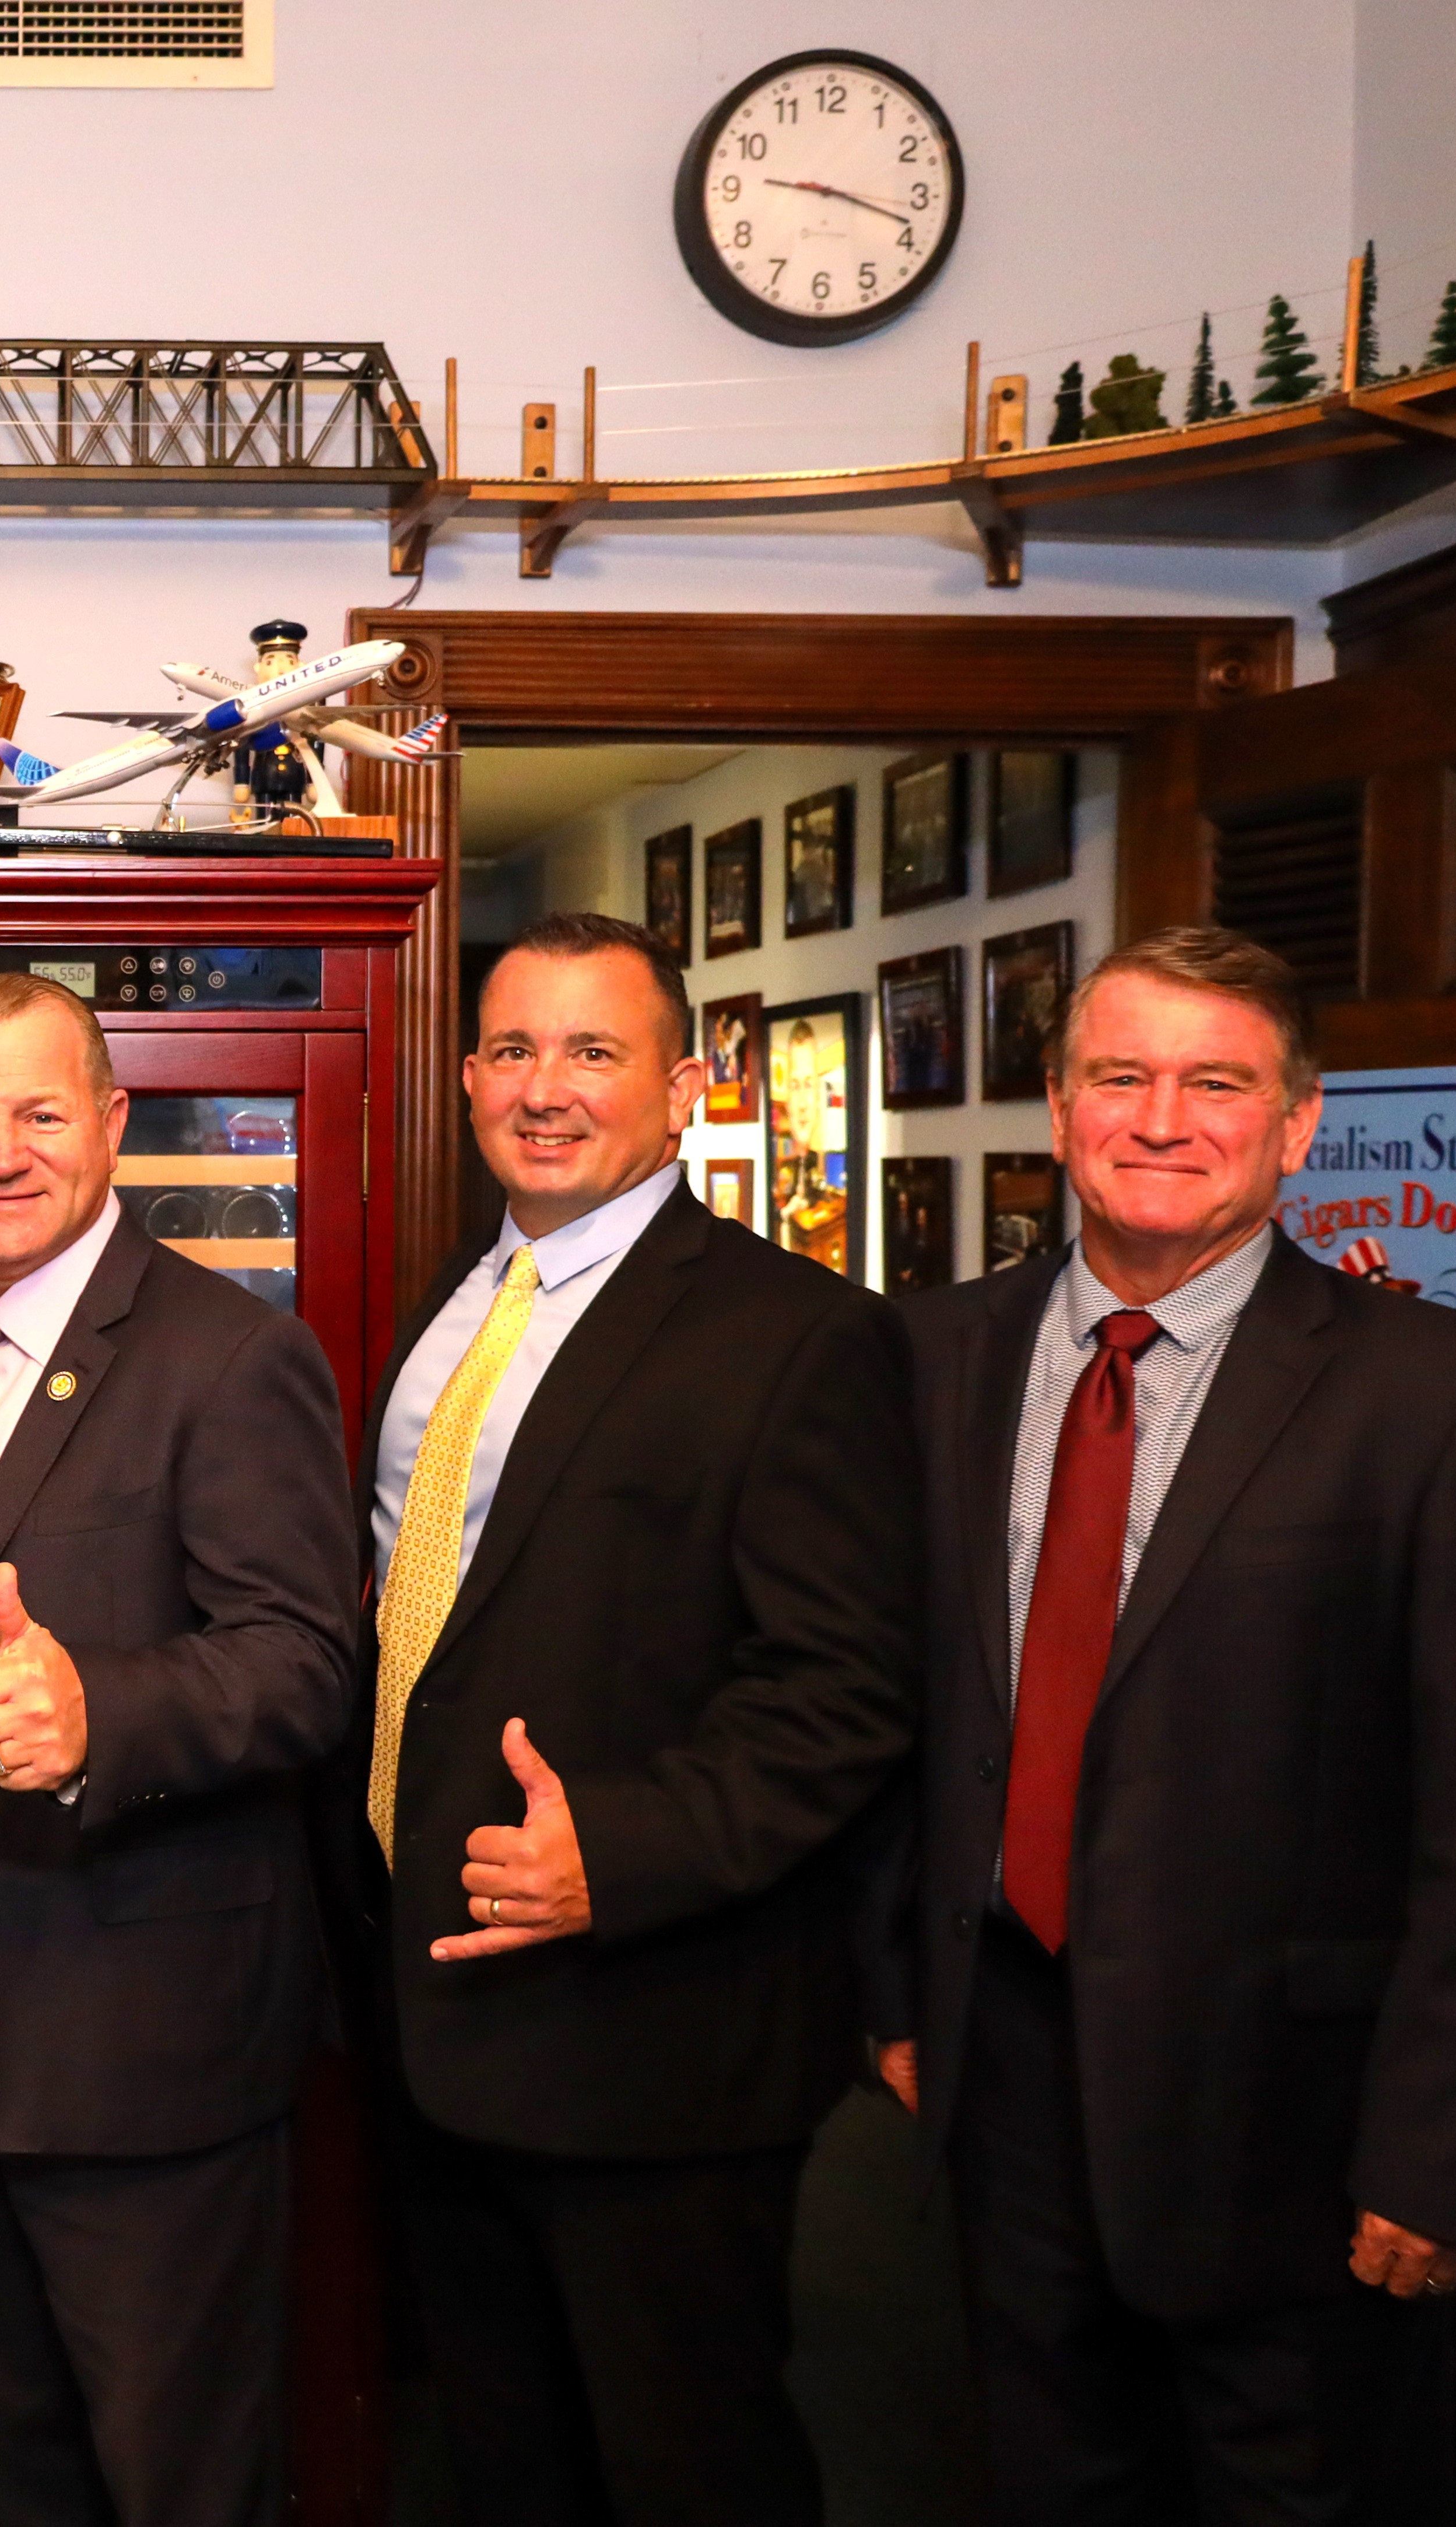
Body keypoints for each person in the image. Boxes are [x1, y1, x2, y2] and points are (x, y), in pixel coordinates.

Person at [875, 926, 1456, 2524]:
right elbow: (899, 1702)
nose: (1160, 1117)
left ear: (1294, 1125)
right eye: (1119, 1076)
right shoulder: (927, 1357)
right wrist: (894, 1981)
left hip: (1303, 2126)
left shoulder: (1447, 1393)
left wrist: (1443, 2148)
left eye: (1215, 1082)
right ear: (1057, 1104)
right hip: (1003, 2078)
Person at [321, 912, 921, 2527]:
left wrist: (623, 1849)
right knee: (501, 2457)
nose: (545, 1087)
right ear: (462, 1079)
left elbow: (845, 1690)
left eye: (593, 1050)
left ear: (683, 1086)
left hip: (649, 2026)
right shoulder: (453, 1306)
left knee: (682, 2462)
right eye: (513, 1048)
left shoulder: (799, 1336)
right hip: (432, 2007)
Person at [0, 972, 357, 2527]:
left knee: (177, 2481)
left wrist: (102, 1709)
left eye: (39, 1111)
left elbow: (308, 1664)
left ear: (112, 1122)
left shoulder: (227, 1355)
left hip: (146, 2054)